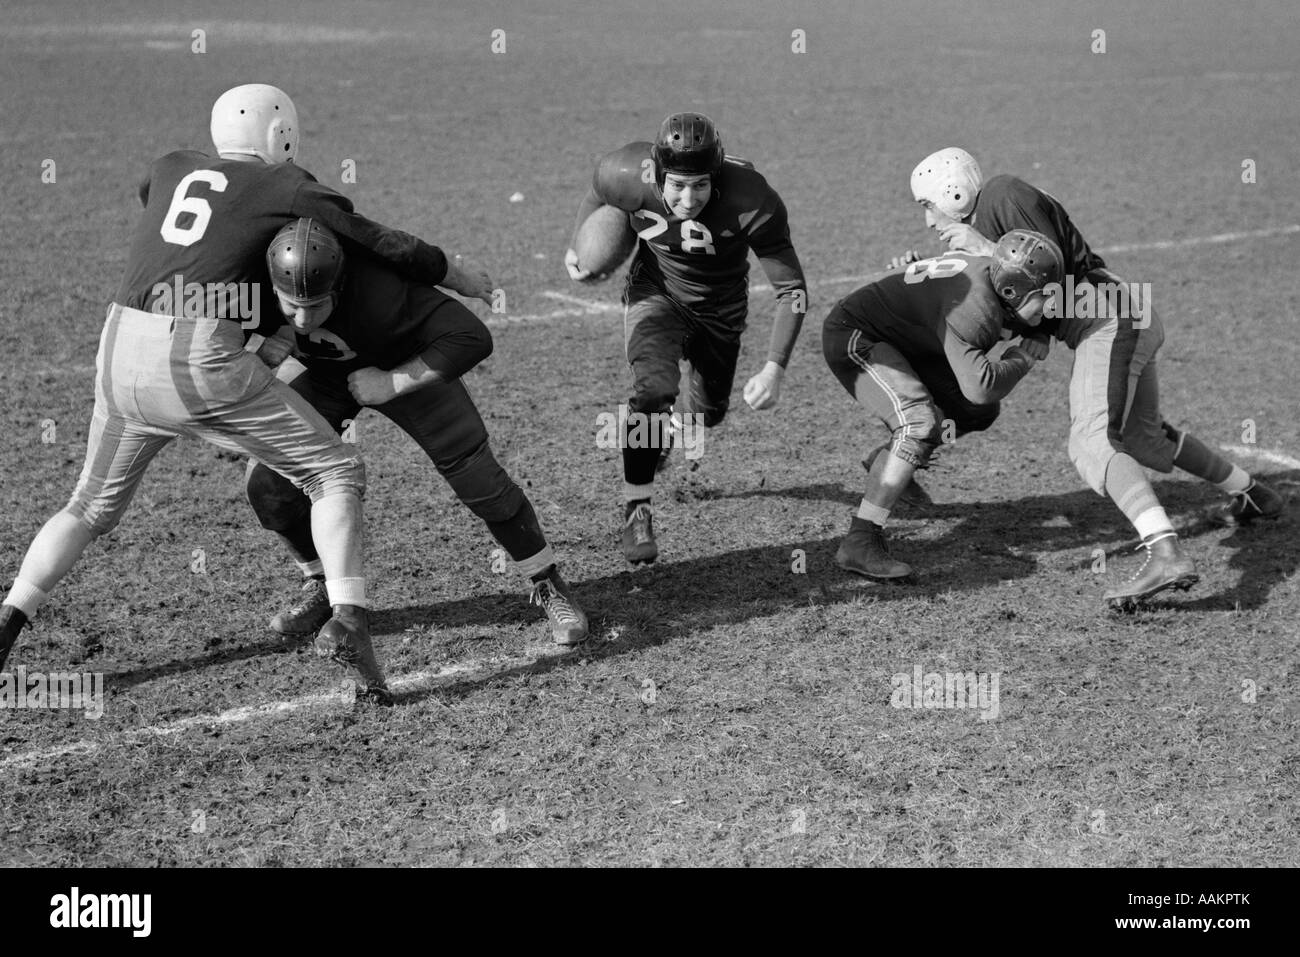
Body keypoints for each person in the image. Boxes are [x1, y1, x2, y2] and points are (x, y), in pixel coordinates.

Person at [0, 84, 492, 701]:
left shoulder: (170, 165)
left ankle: (10, 617)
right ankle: (349, 621)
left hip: (120, 339)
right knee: (334, 474)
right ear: (280, 137)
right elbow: (374, 238)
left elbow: (165, 209)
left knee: (87, 508)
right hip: (195, 354)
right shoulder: (288, 184)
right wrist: (454, 270)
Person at [896, 147, 1284, 608]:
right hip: (1122, 314)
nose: (929, 220)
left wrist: (984, 253)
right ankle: (1252, 492)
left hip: (1107, 317)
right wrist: (927, 274)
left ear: (952, 191)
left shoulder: (1001, 194)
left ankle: (1165, 553)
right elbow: (1023, 303)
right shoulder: (994, 213)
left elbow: (1052, 277)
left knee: (1091, 442)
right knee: (1144, 439)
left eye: (927, 205)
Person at [247, 219, 589, 645]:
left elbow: (472, 336)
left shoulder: (384, 295)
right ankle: (319, 583)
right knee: (268, 484)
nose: (300, 319)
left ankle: (548, 583)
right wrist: (259, 344)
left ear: (338, 287)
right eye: (289, 305)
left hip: (399, 364)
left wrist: (393, 382)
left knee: (479, 479)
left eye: (314, 306)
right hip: (327, 377)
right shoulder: (251, 283)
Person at [565, 112, 809, 563]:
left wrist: (775, 366)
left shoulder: (752, 198)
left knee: (706, 416)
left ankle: (671, 432)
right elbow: (597, 193)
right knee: (653, 390)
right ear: (657, 173)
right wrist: (579, 246)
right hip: (655, 293)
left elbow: (791, 292)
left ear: (716, 178)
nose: (688, 197)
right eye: (677, 185)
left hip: (721, 309)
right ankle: (637, 508)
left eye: (700, 185)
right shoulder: (623, 172)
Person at [824, 230, 1063, 578]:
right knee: (918, 424)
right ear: (1012, 292)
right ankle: (860, 541)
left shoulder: (1000, 283)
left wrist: (1039, 329)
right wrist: (1022, 359)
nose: (1054, 304)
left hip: (908, 341)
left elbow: (979, 397)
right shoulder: (975, 306)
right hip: (857, 335)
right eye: (1047, 296)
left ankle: (889, 459)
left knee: (975, 412)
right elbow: (982, 385)